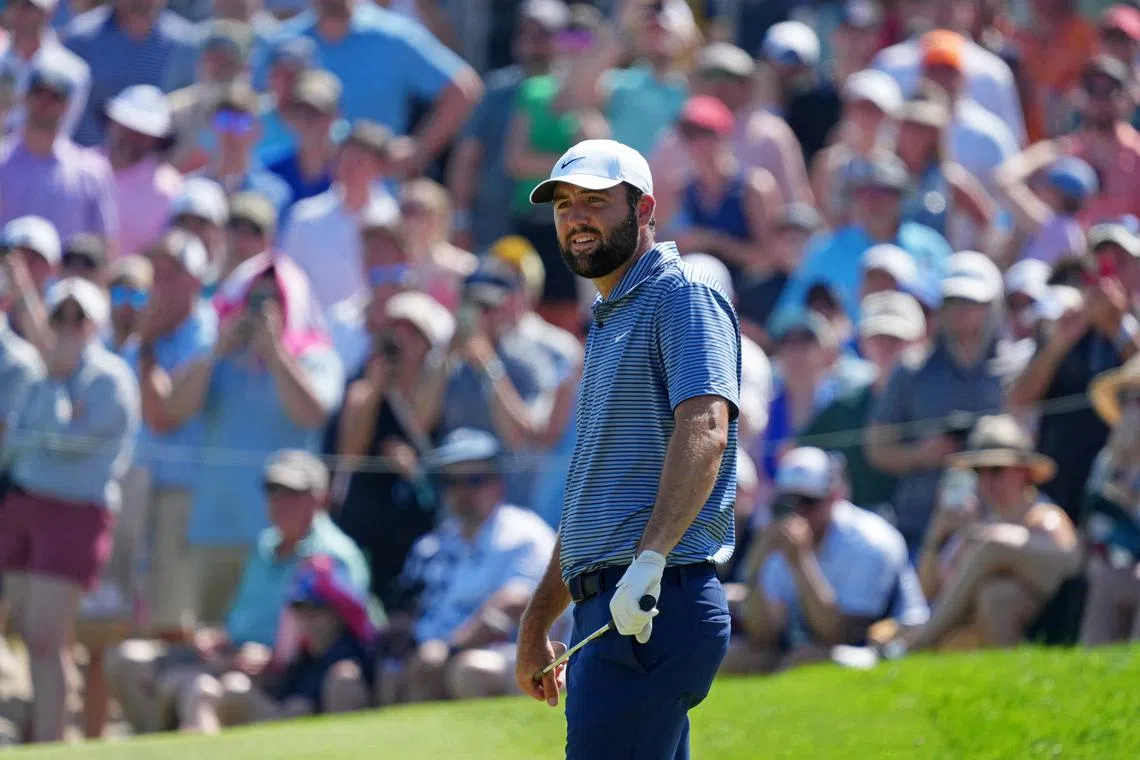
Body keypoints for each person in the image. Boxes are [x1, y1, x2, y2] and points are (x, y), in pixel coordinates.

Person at [515, 139, 740, 759]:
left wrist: (650, 560)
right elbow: (592, 498)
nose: (576, 218)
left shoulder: (681, 294)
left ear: (644, 209)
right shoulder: (611, 316)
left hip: (653, 602)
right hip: (620, 605)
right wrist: (537, 623)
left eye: (594, 201)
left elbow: (707, 429)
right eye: (564, 206)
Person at [0, 278, 139, 743]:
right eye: (60, 316)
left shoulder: (110, 377)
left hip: (74, 515)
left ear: (95, 324)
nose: (68, 326)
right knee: (28, 631)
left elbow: (65, 442)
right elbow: (20, 441)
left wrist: (57, 380)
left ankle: (50, 740)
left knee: (45, 636)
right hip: (26, 505)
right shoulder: (42, 371)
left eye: (79, 317)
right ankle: (43, 732)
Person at [380, 428, 556, 704]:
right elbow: (407, 606)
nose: (462, 491)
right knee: (389, 673)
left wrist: (449, 649)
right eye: (451, 482)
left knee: (469, 670)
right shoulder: (432, 544)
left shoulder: (525, 533)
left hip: (508, 652)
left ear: (498, 482)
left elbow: (515, 603)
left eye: (474, 480)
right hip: (429, 654)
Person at [724, 446, 927, 674]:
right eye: (787, 503)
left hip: (888, 644)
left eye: (808, 502)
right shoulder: (779, 535)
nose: (797, 512)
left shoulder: (871, 541)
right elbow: (763, 635)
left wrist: (802, 562)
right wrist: (757, 566)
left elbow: (842, 634)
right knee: (732, 659)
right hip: (810, 645)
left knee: (802, 660)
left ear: (834, 497)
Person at [895, 415, 1079, 652]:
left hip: (1045, 625)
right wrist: (937, 533)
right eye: (978, 471)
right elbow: (925, 593)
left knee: (996, 589)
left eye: (996, 469)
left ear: (1024, 471)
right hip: (963, 639)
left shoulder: (1045, 517)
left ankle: (919, 644)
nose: (986, 480)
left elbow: (1069, 576)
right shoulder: (974, 523)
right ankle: (920, 641)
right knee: (993, 591)